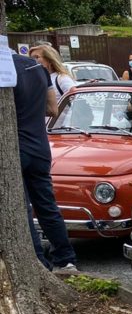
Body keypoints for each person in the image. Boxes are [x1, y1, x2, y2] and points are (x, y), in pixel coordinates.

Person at [12, 54, 78, 273]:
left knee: (22, 207)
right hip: (40, 145)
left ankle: (38, 261)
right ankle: (65, 258)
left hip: (15, 148)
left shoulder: (5, 69)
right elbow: (52, 109)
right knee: (46, 204)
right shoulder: (36, 67)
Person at [27, 45, 75, 109]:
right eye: (31, 59)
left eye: (36, 57)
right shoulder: (36, 80)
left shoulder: (62, 79)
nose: (32, 61)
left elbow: (76, 101)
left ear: (49, 60)